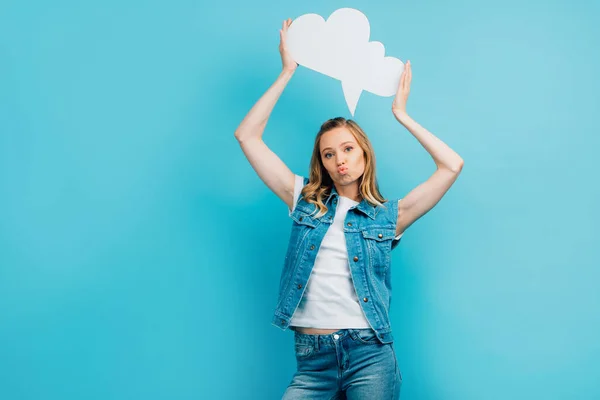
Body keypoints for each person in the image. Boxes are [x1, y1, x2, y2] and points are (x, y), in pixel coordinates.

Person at [234, 18, 464, 400]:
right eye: (328, 153)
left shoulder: (389, 216)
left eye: (347, 149)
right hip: (312, 361)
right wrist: (287, 71)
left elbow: (451, 165)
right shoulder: (303, 201)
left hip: (369, 356)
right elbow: (247, 136)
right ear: (321, 163)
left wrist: (402, 115)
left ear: (363, 153)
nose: (339, 159)